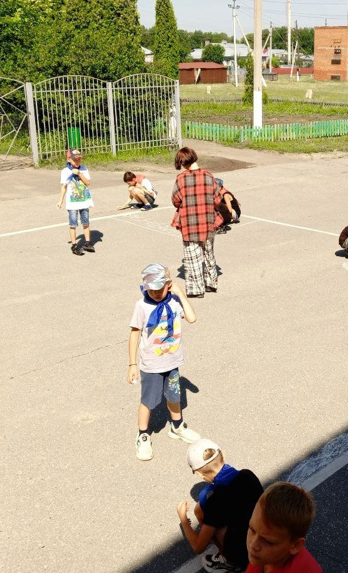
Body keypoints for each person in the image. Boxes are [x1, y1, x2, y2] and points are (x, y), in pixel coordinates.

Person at [127, 263, 201, 461]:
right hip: (151, 365)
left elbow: (192, 318)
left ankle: (177, 427)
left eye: (160, 288)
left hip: (172, 362)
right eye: (151, 289)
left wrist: (180, 293)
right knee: (148, 401)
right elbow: (134, 334)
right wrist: (132, 364)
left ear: (168, 285)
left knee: (174, 396)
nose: (155, 293)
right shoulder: (142, 306)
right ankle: (143, 434)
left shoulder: (175, 301)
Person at [176, 439, 263, 573]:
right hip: (263, 542)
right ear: (223, 454)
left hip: (244, 552)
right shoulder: (248, 475)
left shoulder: (215, 499)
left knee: (200, 510)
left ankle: (230, 562)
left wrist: (183, 519)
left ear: (199, 473)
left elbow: (198, 547)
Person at [171, 147, 222, 298]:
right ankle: (211, 283)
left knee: (192, 256)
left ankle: (196, 289)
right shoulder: (208, 175)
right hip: (208, 221)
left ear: (182, 162)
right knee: (208, 252)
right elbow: (218, 199)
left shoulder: (181, 179)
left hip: (189, 222)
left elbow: (175, 200)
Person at [246, 482, 322, 573]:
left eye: (268, 542)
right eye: (252, 529)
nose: (253, 545)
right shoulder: (267, 557)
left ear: (296, 545)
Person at [57, 148, 95, 256]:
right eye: (75, 160)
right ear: (69, 159)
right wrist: (60, 200)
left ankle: (88, 242)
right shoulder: (65, 171)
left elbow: (87, 183)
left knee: (86, 222)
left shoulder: (83, 169)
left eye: (79, 159)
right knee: (73, 223)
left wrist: (79, 173)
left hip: (84, 201)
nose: (77, 162)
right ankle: (74, 245)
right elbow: (63, 187)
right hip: (72, 203)